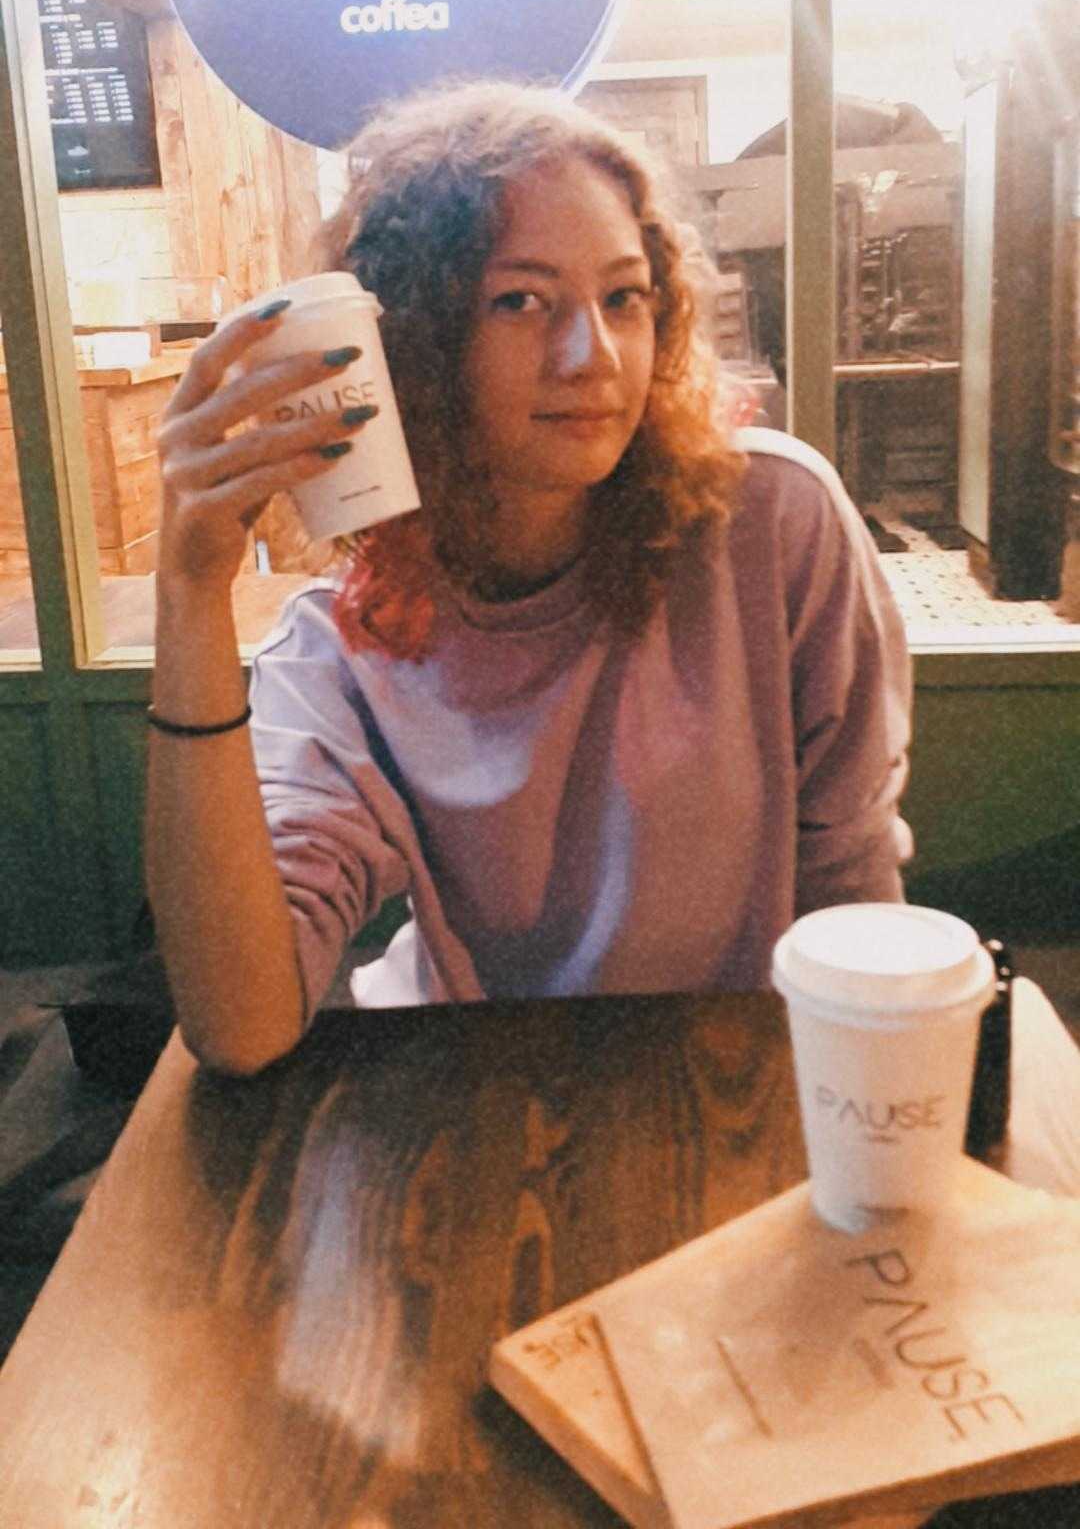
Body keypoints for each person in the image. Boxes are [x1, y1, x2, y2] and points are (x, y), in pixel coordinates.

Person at [146, 79, 912, 1075]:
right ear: (413, 340)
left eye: (623, 297)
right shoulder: (346, 644)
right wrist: (188, 597)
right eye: (521, 301)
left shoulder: (771, 525)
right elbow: (241, 1028)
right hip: (479, 1097)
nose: (593, 355)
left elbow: (853, 891)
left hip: (733, 1085)